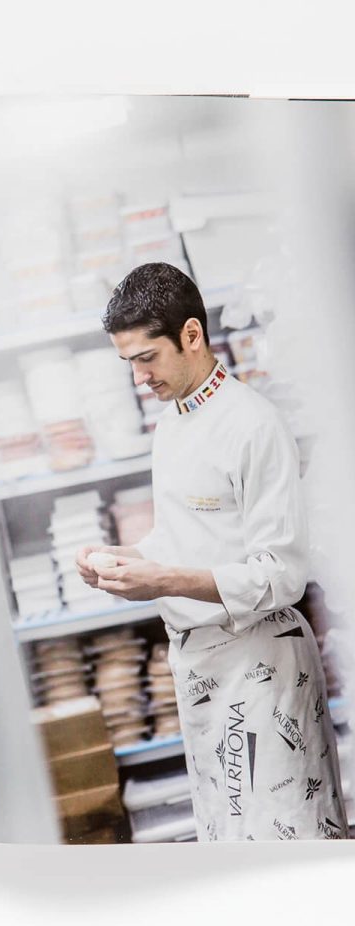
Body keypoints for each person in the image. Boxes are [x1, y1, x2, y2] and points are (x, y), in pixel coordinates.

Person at [76, 261, 348, 842]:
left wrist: (163, 581)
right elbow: (181, 542)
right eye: (129, 364)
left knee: (284, 853)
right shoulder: (171, 426)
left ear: (192, 335)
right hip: (199, 668)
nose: (139, 378)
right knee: (227, 846)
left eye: (147, 358)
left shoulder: (254, 425)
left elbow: (281, 574)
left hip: (261, 666)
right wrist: (121, 560)